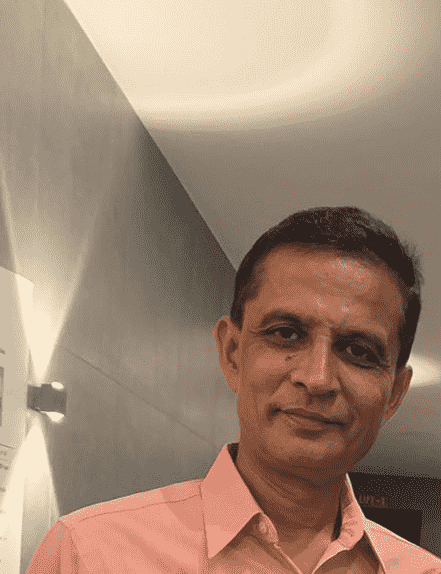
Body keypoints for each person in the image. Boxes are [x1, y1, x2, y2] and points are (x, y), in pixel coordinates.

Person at [26, 206, 441, 573]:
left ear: (394, 394)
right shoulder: (88, 555)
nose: (317, 378)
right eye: (286, 333)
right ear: (232, 354)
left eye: (358, 351)